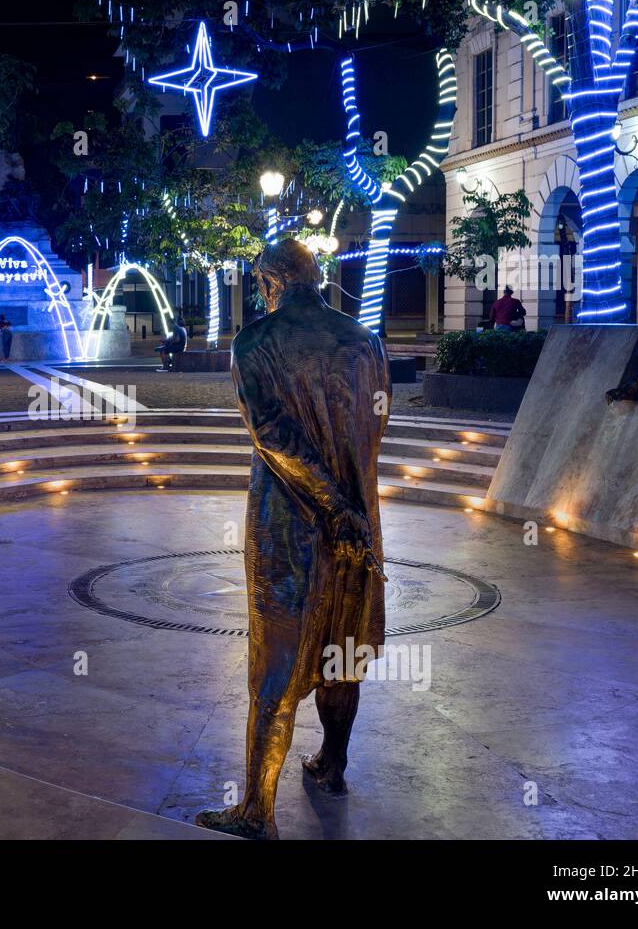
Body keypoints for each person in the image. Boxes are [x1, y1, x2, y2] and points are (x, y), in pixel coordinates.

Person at [195, 238, 390, 840]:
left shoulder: (253, 342)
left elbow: (272, 436)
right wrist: (349, 503)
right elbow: (375, 424)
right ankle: (332, 764)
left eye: (260, 281)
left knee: (277, 657)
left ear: (271, 282)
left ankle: (257, 808)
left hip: (290, 521)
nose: (259, 291)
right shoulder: (364, 341)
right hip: (359, 518)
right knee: (344, 646)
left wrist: (327, 505)